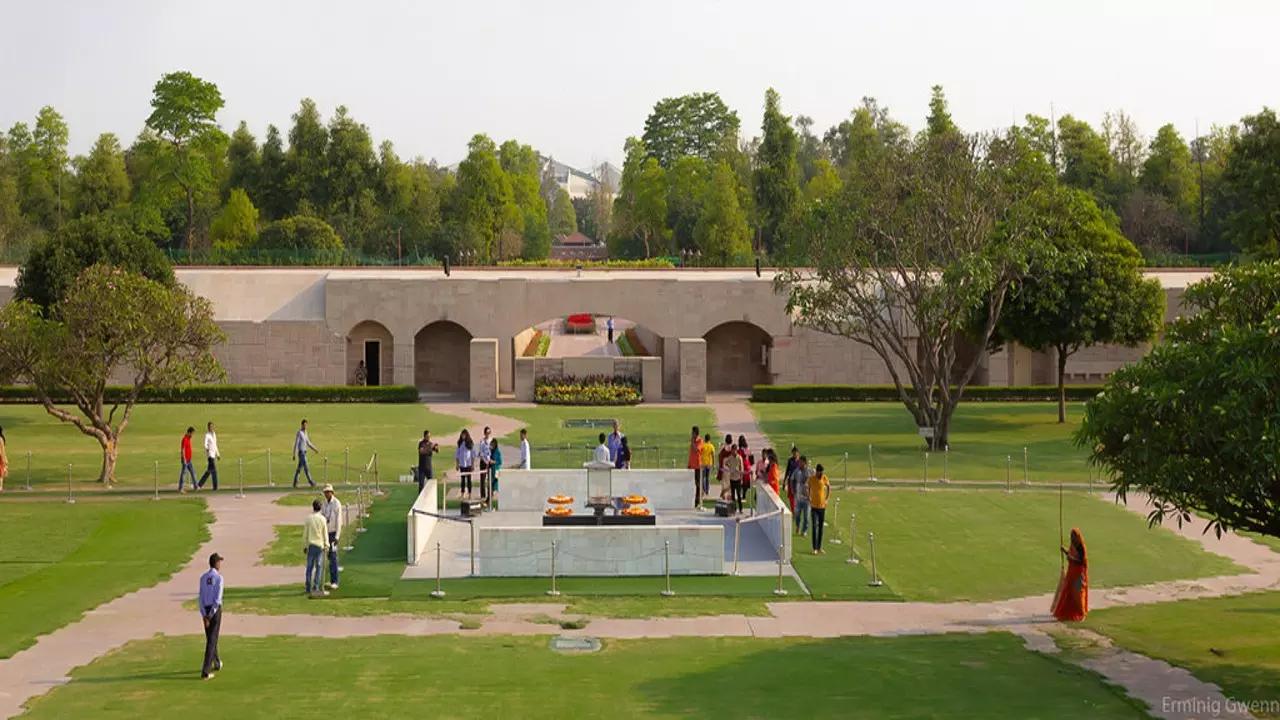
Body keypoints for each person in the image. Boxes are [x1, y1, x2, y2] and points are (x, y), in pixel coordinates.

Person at [1052, 529, 1090, 622]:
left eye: (1074, 536)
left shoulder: (1081, 547)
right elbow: (1070, 556)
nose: (1072, 538)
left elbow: (1080, 561)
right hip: (1071, 573)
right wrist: (1064, 550)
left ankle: (1082, 614)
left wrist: (1071, 558)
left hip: (1078, 575)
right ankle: (1064, 613)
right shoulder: (1072, 545)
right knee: (1068, 593)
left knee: (1078, 594)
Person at [198, 552, 225, 680]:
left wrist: (204, 614)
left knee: (211, 637)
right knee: (212, 640)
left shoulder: (203, 578)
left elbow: (201, 598)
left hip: (206, 610)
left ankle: (217, 662)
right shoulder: (219, 578)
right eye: (219, 561)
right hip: (214, 611)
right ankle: (205, 671)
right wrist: (211, 614)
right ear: (216, 563)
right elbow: (218, 599)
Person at [303, 499, 329, 596]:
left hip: (311, 545)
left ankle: (308, 587)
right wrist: (327, 544)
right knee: (319, 566)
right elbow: (325, 533)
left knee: (309, 566)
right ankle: (316, 587)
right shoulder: (323, 519)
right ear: (321, 508)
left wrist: (305, 546)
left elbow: (305, 534)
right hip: (320, 545)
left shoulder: (309, 518)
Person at [321, 484, 343, 590]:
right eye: (325, 492)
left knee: (333, 556)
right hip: (326, 533)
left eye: (328, 492)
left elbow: (339, 521)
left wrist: (337, 536)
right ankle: (331, 579)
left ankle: (335, 581)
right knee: (329, 556)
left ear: (332, 492)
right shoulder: (324, 504)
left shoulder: (336, 503)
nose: (326, 494)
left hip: (333, 533)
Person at [808, 463, 831, 554]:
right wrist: (809, 496)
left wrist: (827, 499)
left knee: (821, 527)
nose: (820, 474)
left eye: (822, 472)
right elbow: (807, 486)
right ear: (816, 472)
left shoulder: (824, 478)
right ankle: (814, 548)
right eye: (819, 472)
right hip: (814, 506)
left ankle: (819, 547)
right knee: (814, 526)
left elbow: (829, 487)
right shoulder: (812, 479)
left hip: (822, 506)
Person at [292, 419, 319, 488]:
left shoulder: (305, 433)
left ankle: (295, 483)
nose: (305, 426)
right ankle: (311, 481)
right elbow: (296, 443)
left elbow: (308, 443)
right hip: (301, 453)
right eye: (304, 425)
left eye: (306, 425)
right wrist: (294, 454)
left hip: (304, 452)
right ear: (301, 425)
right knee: (306, 467)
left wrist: (314, 449)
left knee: (299, 468)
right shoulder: (299, 433)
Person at [197, 422, 220, 491]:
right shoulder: (207, 435)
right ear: (208, 427)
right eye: (210, 427)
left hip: (214, 455)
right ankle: (215, 487)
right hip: (210, 456)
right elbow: (205, 444)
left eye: (212, 426)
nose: (211, 428)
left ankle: (199, 485)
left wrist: (218, 454)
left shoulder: (214, 434)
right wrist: (208, 450)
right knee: (213, 471)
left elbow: (215, 445)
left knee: (209, 471)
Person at [792, 456, 811, 536]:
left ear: (804, 462)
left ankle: (804, 531)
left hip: (807, 499)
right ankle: (797, 525)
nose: (799, 463)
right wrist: (793, 490)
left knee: (806, 516)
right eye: (799, 462)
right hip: (799, 497)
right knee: (797, 514)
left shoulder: (809, 471)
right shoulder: (797, 471)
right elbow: (792, 479)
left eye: (801, 462)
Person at [687, 427, 704, 510]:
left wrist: (693, 443)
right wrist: (689, 464)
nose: (691, 434)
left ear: (695, 433)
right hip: (691, 466)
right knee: (691, 484)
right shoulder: (693, 441)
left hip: (697, 466)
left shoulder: (699, 441)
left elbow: (697, 450)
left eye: (692, 433)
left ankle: (697, 502)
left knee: (698, 485)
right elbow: (691, 454)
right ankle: (691, 500)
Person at [456, 431, 475, 499]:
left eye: (464, 435)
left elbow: (473, 455)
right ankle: (462, 493)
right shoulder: (459, 443)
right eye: (462, 435)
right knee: (462, 480)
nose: (463, 436)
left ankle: (470, 494)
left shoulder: (470, 443)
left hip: (468, 464)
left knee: (469, 480)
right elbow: (457, 455)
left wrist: (473, 465)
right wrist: (457, 464)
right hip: (462, 464)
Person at [177, 426, 196, 493]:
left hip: (189, 460)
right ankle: (180, 489)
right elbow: (182, 449)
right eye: (192, 433)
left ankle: (196, 486)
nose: (192, 435)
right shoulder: (184, 439)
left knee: (193, 473)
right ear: (189, 432)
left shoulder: (188, 439)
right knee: (183, 474)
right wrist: (184, 459)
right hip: (186, 460)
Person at [477, 426, 493, 501]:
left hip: (490, 462)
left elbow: (493, 452)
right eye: (487, 433)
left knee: (490, 479)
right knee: (482, 480)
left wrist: (490, 461)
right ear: (484, 433)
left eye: (489, 433)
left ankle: (490, 495)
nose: (488, 434)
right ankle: (483, 495)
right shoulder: (482, 442)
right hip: (483, 462)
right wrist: (485, 461)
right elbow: (481, 454)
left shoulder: (492, 441)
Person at [784, 447, 800, 512]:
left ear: (798, 453)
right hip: (791, 481)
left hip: (798, 481)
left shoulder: (800, 461)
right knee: (791, 497)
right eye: (793, 453)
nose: (794, 454)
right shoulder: (790, 460)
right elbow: (787, 471)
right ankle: (793, 511)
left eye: (795, 453)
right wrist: (784, 481)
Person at [699, 433, 714, 498]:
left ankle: (704, 489)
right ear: (710, 439)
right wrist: (713, 464)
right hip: (709, 464)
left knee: (702, 478)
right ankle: (707, 490)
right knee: (707, 478)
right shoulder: (711, 446)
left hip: (703, 464)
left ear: (705, 439)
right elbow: (713, 455)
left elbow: (699, 453)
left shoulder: (702, 445)